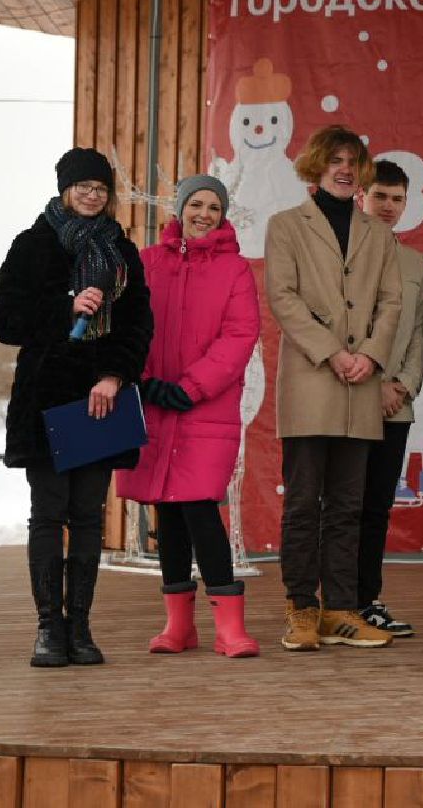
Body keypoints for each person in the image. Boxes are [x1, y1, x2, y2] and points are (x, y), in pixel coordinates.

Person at [0, 147, 153, 667]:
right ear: (66, 190)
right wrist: (67, 309)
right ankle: (48, 628)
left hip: (101, 399)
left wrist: (114, 376)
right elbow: (4, 320)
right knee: (48, 514)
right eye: (84, 187)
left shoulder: (121, 252)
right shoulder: (32, 244)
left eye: (101, 189)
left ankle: (80, 627)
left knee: (87, 517)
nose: (92, 195)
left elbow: (138, 324)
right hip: (46, 399)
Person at [264, 125, 402, 652]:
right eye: (335, 160)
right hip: (311, 380)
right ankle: (301, 609)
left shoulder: (378, 234)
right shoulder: (286, 225)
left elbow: (392, 302)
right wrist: (334, 352)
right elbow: (283, 297)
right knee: (303, 504)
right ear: (317, 165)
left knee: (349, 505)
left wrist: (370, 355)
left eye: (352, 162)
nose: (345, 170)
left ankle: (341, 611)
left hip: (361, 385)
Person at [118, 175, 261, 658]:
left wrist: (191, 387)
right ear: (180, 210)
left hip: (205, 406)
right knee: (167, 509)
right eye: (196, 204)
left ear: (223, 216)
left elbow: (239, 335)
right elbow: (127, 325)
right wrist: (143, 380)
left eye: (213, 207)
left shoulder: (235, 270)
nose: (204, 214)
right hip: (154, 403)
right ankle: (178, 626)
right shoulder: (147, 263)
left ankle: (229, 628)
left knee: (200, 506)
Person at [354, 160, 423, 637]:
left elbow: (419, 332)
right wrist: (373, 383)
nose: (387, 206)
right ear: (361, 196)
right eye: (379, 195)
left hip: (394, 406)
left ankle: (367, 601)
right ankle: (332, 602)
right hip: (347, 400)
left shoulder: (415, 263)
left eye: (396, 199)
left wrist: (401, 384)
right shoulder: (340, 254)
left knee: (376, 507)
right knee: (341, 506)